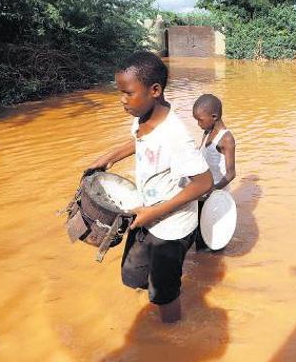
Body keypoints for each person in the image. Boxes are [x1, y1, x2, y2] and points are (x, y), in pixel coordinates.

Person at [85, 51, 213, 323]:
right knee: (132, 276)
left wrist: (153, 214)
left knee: (164, 293)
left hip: (171, 227)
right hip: (145, 213)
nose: (122, 100)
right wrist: (108, 158)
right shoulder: (142, 116)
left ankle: (171, 334)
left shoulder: (176, 136)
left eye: (127, 93)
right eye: (119, 92)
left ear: (154, 90)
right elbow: (138, 140)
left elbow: (204, 183)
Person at [192, 93, 237, 250]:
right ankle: (202, 265)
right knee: (200, 234)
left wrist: (213, 189)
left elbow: (231, 174)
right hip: (202, 192)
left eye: (200, 120)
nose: (198, 124)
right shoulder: (207, 132)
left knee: (214, 238)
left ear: (214, 116)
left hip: (215, 194)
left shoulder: (226, 139)